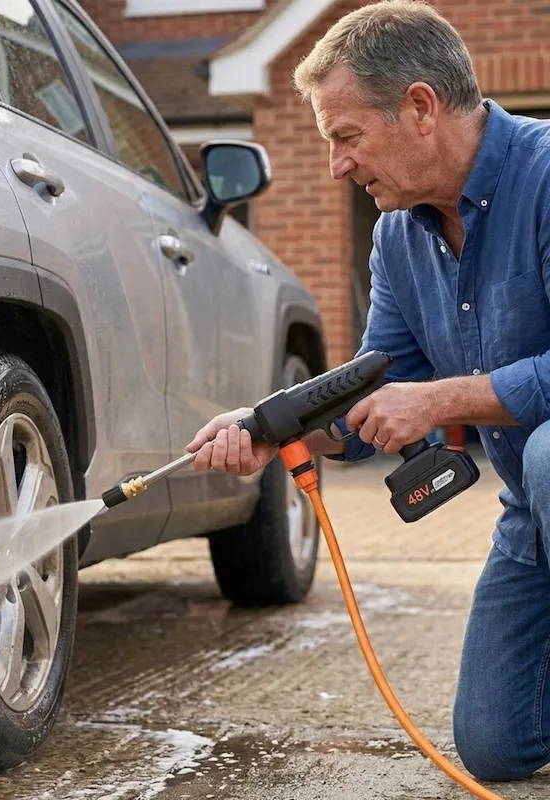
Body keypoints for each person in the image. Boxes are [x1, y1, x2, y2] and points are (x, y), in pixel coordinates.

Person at [186, 0, 550, 784]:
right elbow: (377, 389)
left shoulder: (547, 176)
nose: (336, 166)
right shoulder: (398, 234)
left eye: (346, 137)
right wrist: (270, 428)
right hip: (535, 515)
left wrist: (441, 401)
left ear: (420, 107)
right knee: (495, 745)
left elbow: (427, 400)